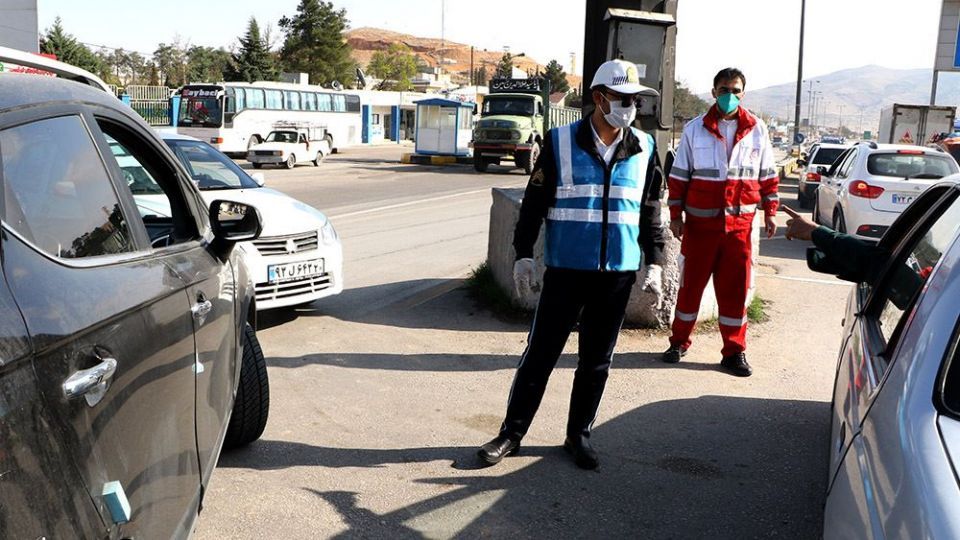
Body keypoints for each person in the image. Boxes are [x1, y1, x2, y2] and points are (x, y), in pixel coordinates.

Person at [477, 59, 667, 470]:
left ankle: (578, 435)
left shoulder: (645, 147)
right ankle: (511, 433)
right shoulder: (560, 142)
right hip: (566, 273)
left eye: (636, 99)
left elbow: (650, 211)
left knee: (596, 361)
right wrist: (523, 255)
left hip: (616, 275)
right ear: (599, 98)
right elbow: (533, 206)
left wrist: (655, 262)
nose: (631, 106)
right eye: (622, 98)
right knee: (540, 355)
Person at [662, 67, 779, 377]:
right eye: (724, 89)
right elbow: (679, 176)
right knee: (689, 290)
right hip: (700, 229)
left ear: (743, 93)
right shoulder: (695, 129)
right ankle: (678, 342)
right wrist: (675, 215)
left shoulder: (757, 129)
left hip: (739, 229)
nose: (730, 95)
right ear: (713, 92)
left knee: (735, 292)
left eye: (736, 89)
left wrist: (771, 209)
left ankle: (734, 352)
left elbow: (767, 173)